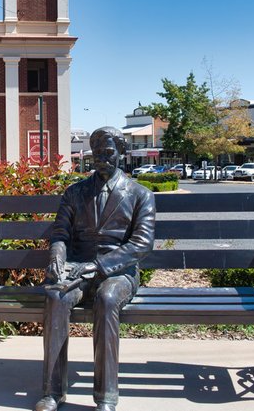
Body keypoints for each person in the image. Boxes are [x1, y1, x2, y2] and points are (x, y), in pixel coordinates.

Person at [35, 127, 156, 411]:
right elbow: (61, 233)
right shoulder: (75, 193)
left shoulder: (140, 195)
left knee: (107, 298)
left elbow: (141, 244)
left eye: (109, 152)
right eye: (97, 153)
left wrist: (98, 266)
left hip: (119, 272)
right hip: (77, 267)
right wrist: (57, 255)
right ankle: (52, 392)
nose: (102, 158)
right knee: (55, 296)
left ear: (121, 153)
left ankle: (106, 396)